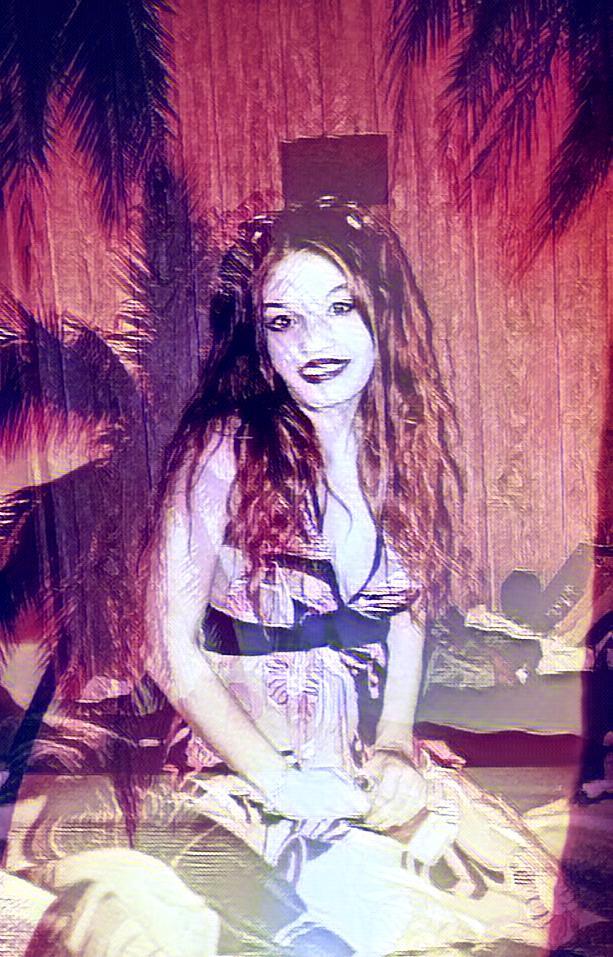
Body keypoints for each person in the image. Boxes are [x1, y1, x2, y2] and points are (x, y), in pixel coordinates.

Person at [143, 198, 562, 954]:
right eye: (283, 321)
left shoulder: (402, 450)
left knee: (527, 903)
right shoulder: (221, 452)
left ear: (382, 315)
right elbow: (168, 650)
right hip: (241, 767)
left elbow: (407, 614)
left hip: (359, 758)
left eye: (339, 307)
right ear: (260, 344)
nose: (313, 341)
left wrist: (397, 740)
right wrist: (279, 782)